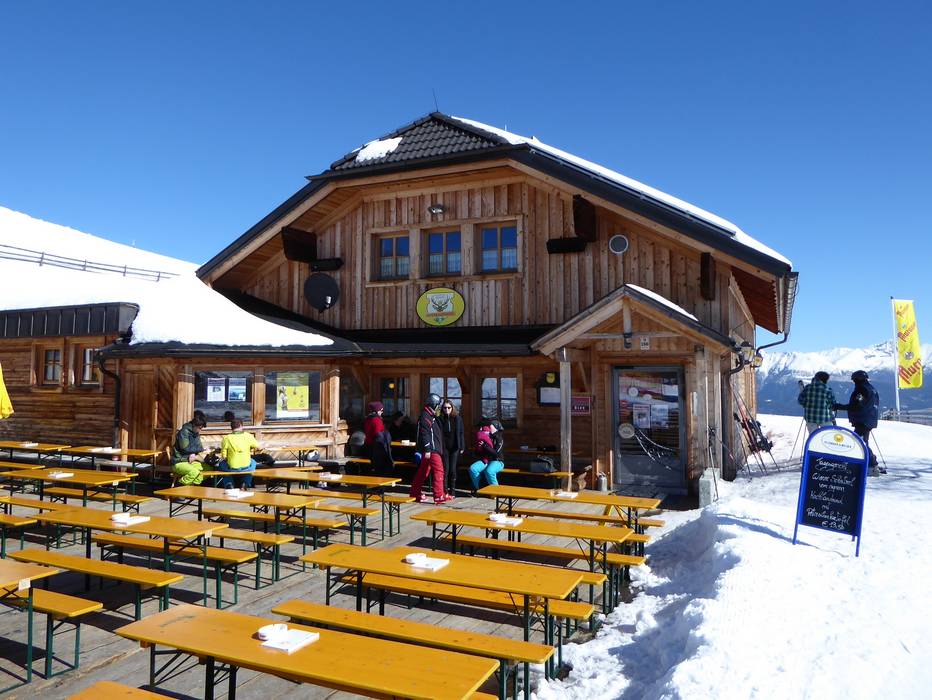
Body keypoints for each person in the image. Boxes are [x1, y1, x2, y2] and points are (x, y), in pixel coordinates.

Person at [835, 370, 884, 475]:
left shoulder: (861, 389)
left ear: (858, 380)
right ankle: (869, 464)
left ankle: (872, 465)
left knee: (860, 443)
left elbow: (856, 405)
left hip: (863, 420)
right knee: (862, 442)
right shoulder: (871, 388)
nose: (854, 382)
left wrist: (838, 406)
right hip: (869, 419)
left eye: (854, 380)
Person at [410, 393, 450, 504]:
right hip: (432, 449)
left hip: (433, 448)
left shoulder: (431, 415)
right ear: (433, 404)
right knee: (439, 470)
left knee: (424, 471)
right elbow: (425, 434)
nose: (439, 408)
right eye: (437, 405)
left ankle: (415, 493)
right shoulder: (425, 416)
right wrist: (427, 449)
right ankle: (438, 495)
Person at [218, 418, 259, 488]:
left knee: (221, 464)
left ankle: (229, 483)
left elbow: (224, 456)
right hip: (246, 467)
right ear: (241, 426)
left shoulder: (226, 438)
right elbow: (257, 446)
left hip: (232, 467)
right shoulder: (248, 436)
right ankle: (245, 483)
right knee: (253, 462)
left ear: (231, 427)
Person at [468, 420, 506, 494]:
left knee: (489, 471)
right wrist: (479, 448)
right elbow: (477, 453)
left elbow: (496, 454)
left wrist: (485, 446)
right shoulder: (485, 436)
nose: (488, 427)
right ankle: (479, 488)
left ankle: (496, 492)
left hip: (498, 461)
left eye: (490, 425)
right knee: (473, 469)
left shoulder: (499, 438)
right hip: (486, 460)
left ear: (495, 427)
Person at [172, 410, 207, 485]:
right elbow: (185, 448)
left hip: (191, 460)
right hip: (179, 461)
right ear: (194, 425)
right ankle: (180, 486)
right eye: (200, 428)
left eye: (201, 428)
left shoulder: (196, 433)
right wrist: (197, 452)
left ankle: (193, 488)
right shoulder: (183, 432)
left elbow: (199, 446)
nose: (200, 430)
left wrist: (194, 454)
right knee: (194, 472)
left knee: (206, 470)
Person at [437, 400, 464, 496]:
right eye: (445, 408)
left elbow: (461, 433)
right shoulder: (440, 419)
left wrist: (462, 446)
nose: (447, 409)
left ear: (452, 408)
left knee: (453, 469)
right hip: (444, 447)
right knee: (446, 468)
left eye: (449, 407)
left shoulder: (457, 418)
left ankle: (452, 490)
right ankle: (445, 490)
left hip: (454, 447)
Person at [363, 401, 394, 474]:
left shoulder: (367, 419)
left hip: (368, 446)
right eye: (381, 410)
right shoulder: (377, 420)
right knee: (380, 468)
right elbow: (378, 435)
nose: (382, 412)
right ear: (377, 410)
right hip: (376, 448)